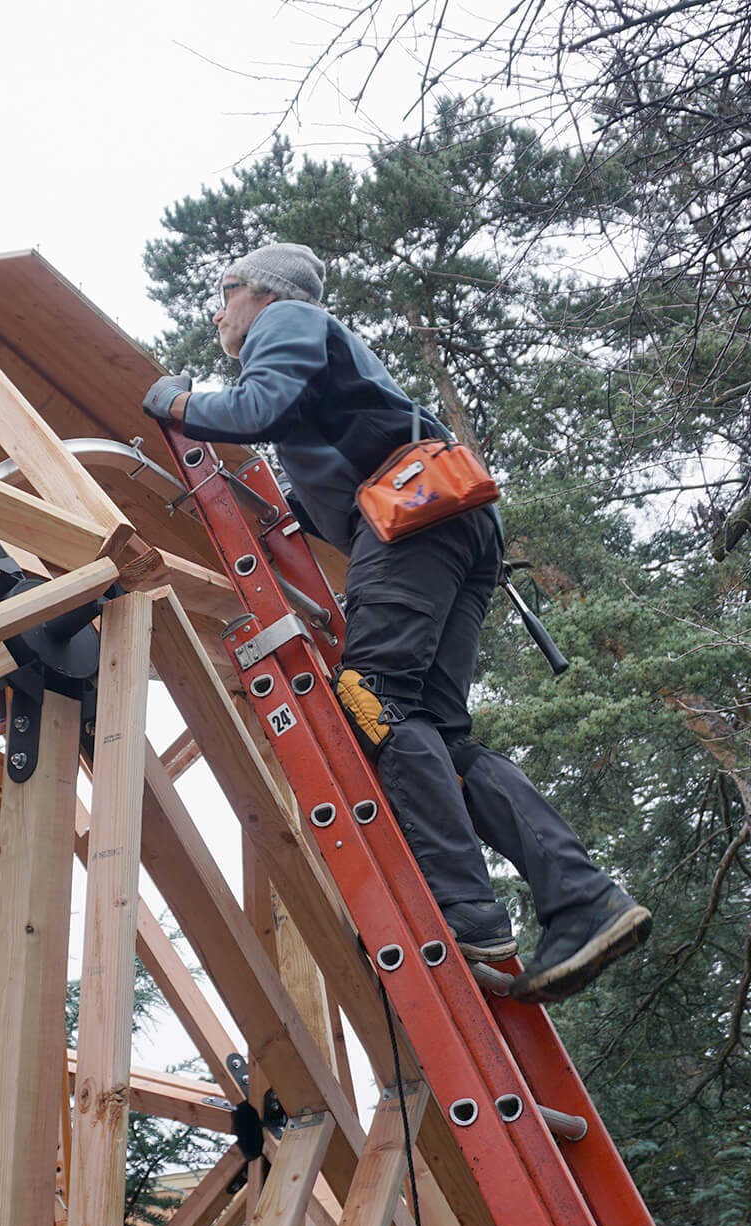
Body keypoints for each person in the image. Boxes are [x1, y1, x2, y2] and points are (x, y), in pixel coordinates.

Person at [142, 243, 648, 1002]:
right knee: (438, 733)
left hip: (411, 520)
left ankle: (463, 909)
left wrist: (175, 404)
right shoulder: (325, 363)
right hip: (446, 526)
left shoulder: (288, 319)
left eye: (226, 291)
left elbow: (253, 411)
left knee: (371, 698)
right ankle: (582, 900)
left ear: (262, 292)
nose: (218, 311)